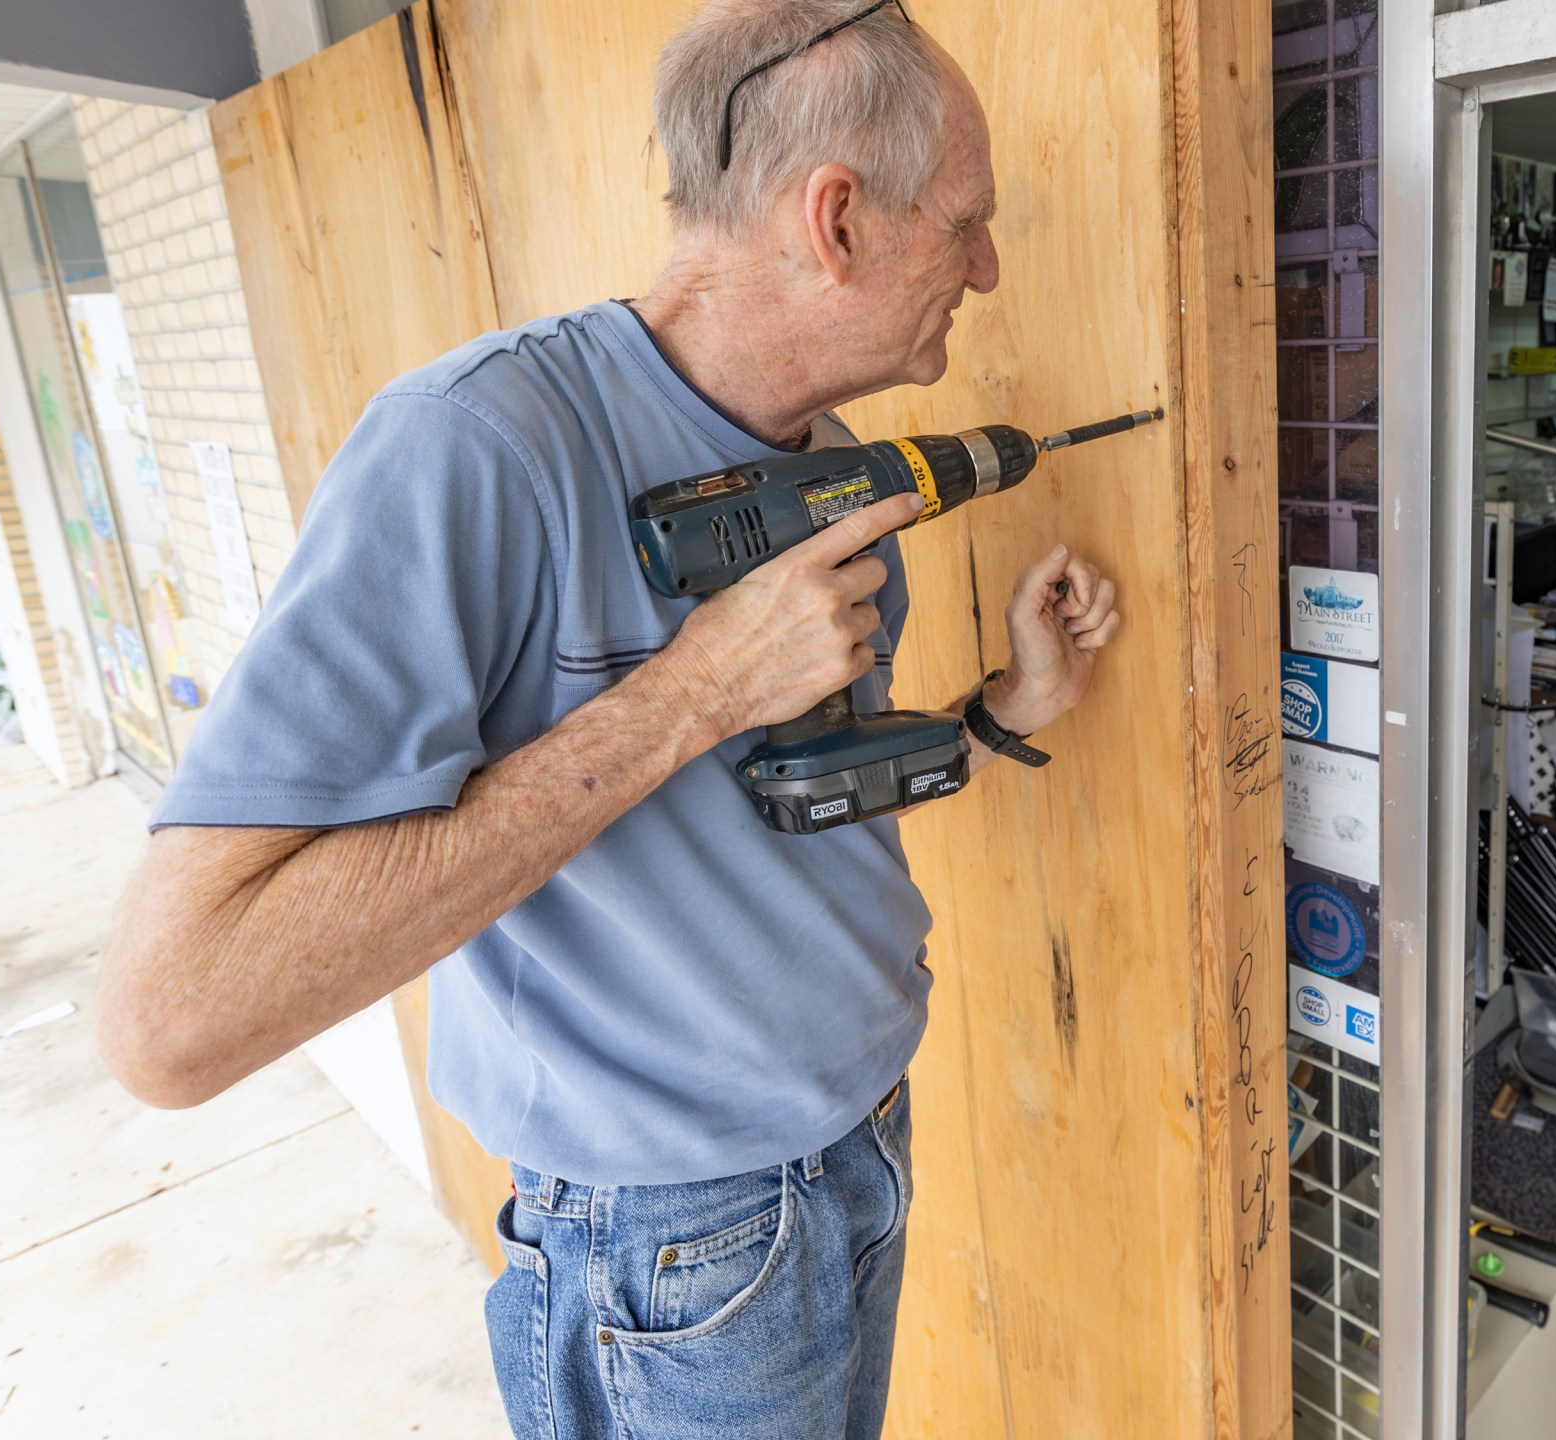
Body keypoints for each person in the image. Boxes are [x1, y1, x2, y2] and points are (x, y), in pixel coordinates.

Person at [91, 3, 1118, 1435]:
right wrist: (689, 693)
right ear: (836, 219)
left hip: (858, 1152)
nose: (989, 269)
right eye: (967, 225)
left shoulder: (824, 468)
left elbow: (788, 807)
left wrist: (1003, 710)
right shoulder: (476, 451)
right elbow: (168, 1018)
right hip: (678, 1250)